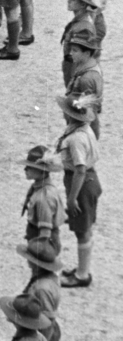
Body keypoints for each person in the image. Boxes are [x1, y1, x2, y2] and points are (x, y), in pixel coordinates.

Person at [55, 93, 100, 289]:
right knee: (85, 226)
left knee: (82, 230)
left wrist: (72, 199)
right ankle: (83, 270)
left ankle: (82, 275)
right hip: (91, 180)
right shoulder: (85, 129)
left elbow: (79, 170)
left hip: (82, 184)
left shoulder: (75, 139)